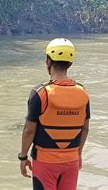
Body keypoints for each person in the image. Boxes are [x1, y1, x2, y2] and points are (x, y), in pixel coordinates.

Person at [19, 38, 90, 190]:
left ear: (48, 61)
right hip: (71, 161)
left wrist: (23, 157)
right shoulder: (83, 92)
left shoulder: (40, 93)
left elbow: (29, 129)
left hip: (45, 161)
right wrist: (78, 154)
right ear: (70, 63)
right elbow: (85, 128)